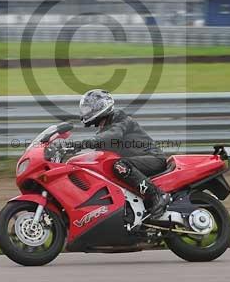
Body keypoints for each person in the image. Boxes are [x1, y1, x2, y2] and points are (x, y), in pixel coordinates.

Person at [67, 89, 171, 218]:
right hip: (135, 163)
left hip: (153, 159)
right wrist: (69, 152)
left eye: (89, 108)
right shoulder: (104, 129)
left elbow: (112, 135)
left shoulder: (119, 118)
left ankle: (158, 195)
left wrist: (79, 144)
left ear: (101, 107)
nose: (85, 112)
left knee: (119, 165)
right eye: (85, 109)